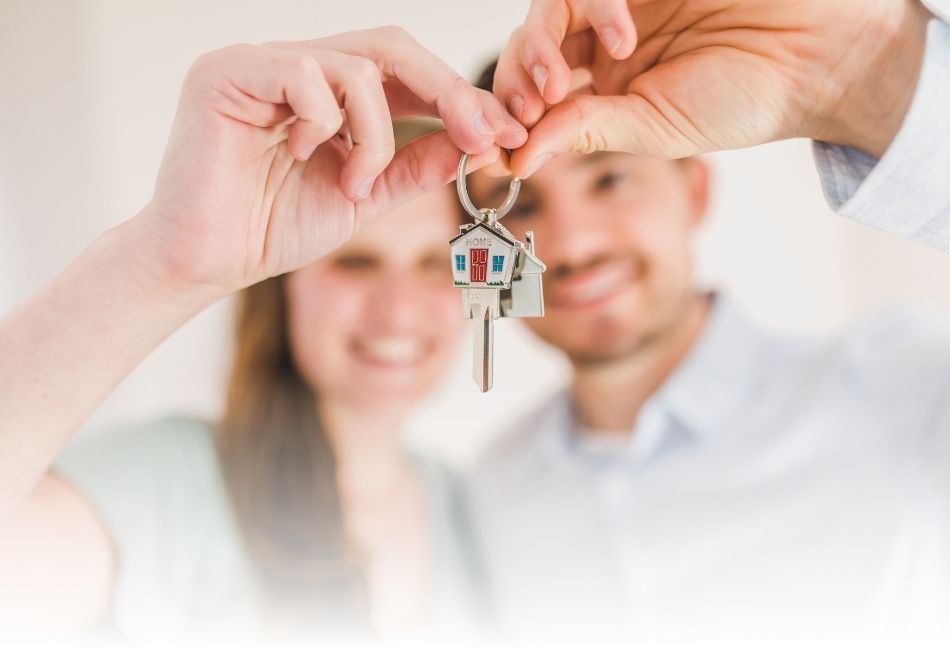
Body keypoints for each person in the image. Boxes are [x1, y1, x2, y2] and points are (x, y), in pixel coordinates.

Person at [0, 28, 527, 644]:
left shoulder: (471, 510)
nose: (399, 308)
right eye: (355, 263)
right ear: (284, 290)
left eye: (436, 265)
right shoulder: (169, 483)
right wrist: (160, 265)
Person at [460, 0, 950, 641]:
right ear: (476, 253)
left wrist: (865, 68)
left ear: (693, 190)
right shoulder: (487, 496)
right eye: (517, 208)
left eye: (609, 178)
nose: (572, 246)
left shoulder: (903, 386)